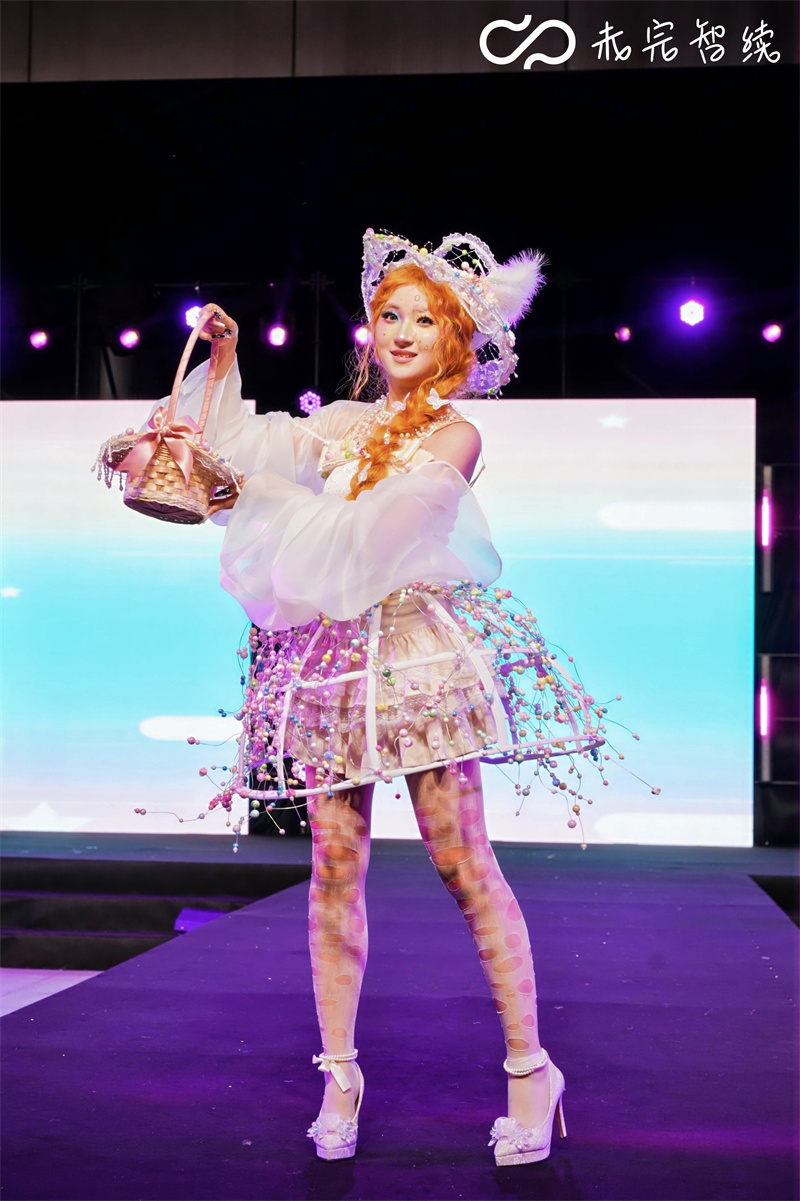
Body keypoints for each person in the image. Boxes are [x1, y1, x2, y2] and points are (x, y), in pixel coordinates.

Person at [174, 230, 598, 1167]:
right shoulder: (344, 425)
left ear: (456, 341)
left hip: (417, 666)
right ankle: (339, 1075)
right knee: (332, 869)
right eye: (390, 315)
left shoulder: (456, 435)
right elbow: (236, 447)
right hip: (334, 669)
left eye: (424, 320)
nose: (401, 332)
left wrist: (264, 496)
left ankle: (531, 1071)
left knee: (462, 863)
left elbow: (371, 539)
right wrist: (224, 363)